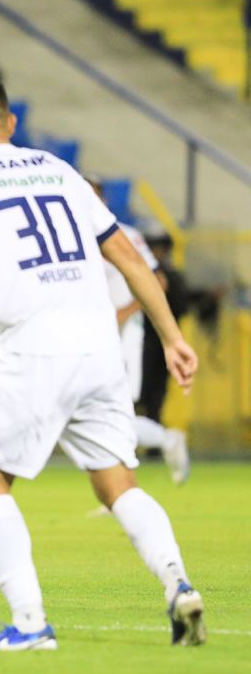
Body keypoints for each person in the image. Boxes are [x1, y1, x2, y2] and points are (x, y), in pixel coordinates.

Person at [0, 76, 204, 649]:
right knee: (117, 483)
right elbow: (129, 257)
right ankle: (178, 584)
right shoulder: (60, 170)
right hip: (100, 349)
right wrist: (172, 336)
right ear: (10, 124)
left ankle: (30, 625)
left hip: (32, 351)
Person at [89, 180, 189, 485]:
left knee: (114, 410)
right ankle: (165, 439)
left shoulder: (125, 235)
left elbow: (157, 280)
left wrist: (125, 311)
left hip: (124, 333)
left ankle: (122, 485)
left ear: (103, 200)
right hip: (88, 333)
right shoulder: (69, 237)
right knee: (98, 413)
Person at [140, 230, 193, 479]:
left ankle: (162, 440)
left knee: (152, 394)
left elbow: (179, 304)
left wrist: (171, 340)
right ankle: (163, 439)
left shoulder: (167, 275)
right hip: (141, 341)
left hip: (150, 342)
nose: (156, 251)